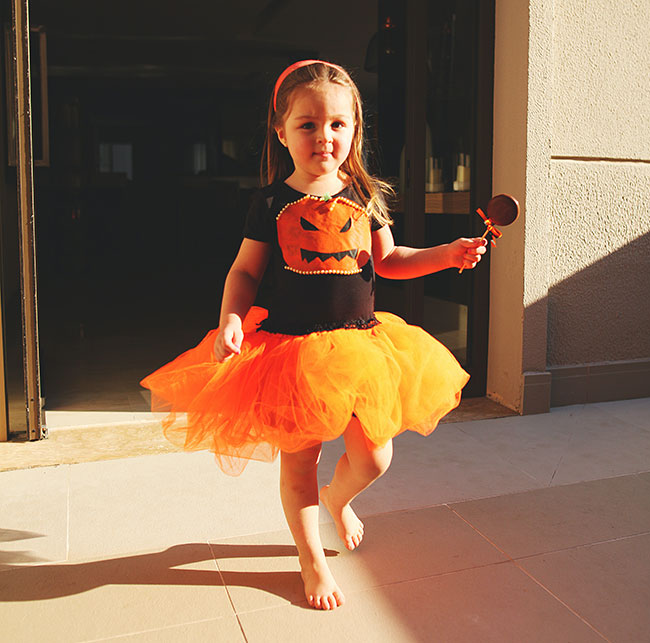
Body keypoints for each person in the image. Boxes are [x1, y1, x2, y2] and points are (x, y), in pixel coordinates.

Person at [141, 60, 486, 611]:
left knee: (374, 457)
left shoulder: (364, 195)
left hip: (361, 348)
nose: (324, 136)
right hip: (291, 352)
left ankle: (337, 498)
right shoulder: (269, 203)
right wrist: (231, 318)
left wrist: (446, 254)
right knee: (299, 462)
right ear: (282, 132)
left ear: (354, 130)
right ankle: (310, 558)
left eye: (337, 124)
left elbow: (389, 260)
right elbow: (244, 272)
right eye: (308, 125)